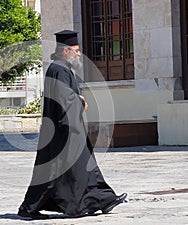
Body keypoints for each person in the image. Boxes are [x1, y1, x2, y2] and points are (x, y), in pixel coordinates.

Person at [18, 30, 127, 220]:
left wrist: (77, 99)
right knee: (52, 174)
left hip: (69, 130)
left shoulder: (61, 68)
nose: (78, 54)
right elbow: (64, 99)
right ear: (66, 51)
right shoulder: (59, 69)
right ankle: (29, 208)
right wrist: (81, 101)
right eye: (76, 51)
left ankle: (104, 200)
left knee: (85, 167)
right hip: (63, 132)